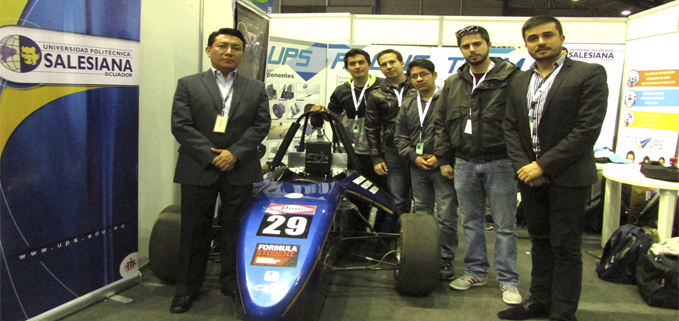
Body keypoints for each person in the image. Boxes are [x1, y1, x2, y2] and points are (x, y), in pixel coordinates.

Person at [499, 15, 608, 321]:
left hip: (568, 177)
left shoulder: (588, 73)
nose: (540, 42)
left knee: (566, 247)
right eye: (533, 38)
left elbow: (587, 129)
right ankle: (539, 301)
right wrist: (525, 167)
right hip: (531, 179)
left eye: (547, 35)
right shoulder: (520, 79)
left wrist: (542, 165)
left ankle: (562, 312)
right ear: (526, 44)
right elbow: (510, 127)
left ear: (561, 38)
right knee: (540, 243)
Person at [169, 28, 271, 314]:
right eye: (223, 46)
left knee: (236, 230)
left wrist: (234, 154)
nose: (229, 52)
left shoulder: (255, 87)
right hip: (197, 167)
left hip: (240, 168)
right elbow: (181, 125)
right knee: (194, 230)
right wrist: (212, 156)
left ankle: (232, 283)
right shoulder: (188, 84)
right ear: (209, 50)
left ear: (242, 52)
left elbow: (260, 126)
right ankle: (187, 289)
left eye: (236, 47)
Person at [433, 25, 522, 305]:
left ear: (489, 44)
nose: (472, 50)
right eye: (466, 46)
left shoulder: (512, 78)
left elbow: (522, 122)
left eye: (477, 44)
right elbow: (441, 123)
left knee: (505, 225)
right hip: (464, 163)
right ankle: (476, 271)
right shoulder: (454, 82)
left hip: (501, 162)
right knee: (471, 223)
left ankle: (508, 280)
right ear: (461, 50)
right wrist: (445, 159)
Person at [394, 59, 458, 280]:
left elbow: (453, 133)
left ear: (434, 75)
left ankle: (446, 257)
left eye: (424, 74)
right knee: (422, 213)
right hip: (418, 166)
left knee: (447, 214)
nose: (419, 79)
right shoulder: (408, 103)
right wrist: (414, 156)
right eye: (414, 76)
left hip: (442, 166)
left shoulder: (448, 100)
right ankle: (425, 256)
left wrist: (442, 158)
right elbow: (400, 136)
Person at [365, 49, 415, 217]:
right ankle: (402, 238)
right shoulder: (376, 94)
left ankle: (424, 239)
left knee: (423, 200)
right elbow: (371, 127)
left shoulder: (418, 85)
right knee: (398, 200)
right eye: (384, 64)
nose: (389, 66)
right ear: (380, 69)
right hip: (393, 153)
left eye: (392, 62)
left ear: (402, 63)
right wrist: (376, 157)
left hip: (420, 151)